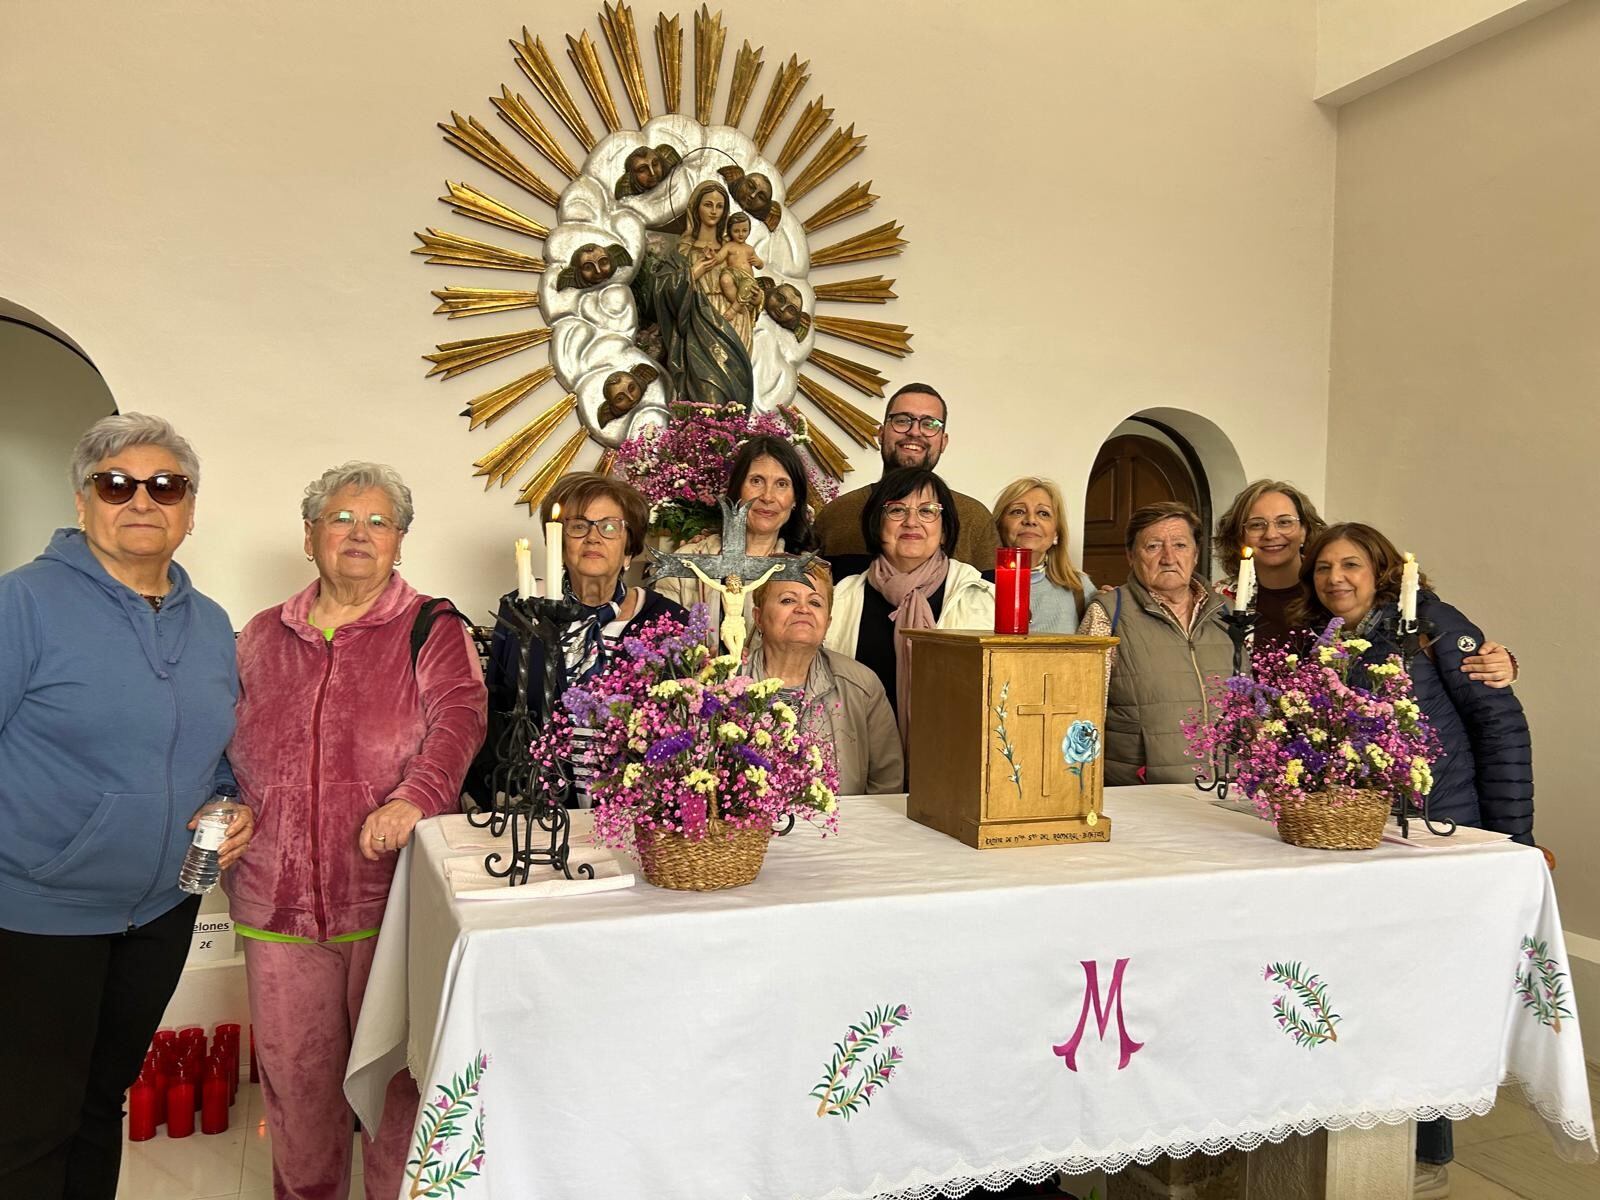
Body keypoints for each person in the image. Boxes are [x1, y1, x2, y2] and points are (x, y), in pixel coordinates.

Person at [0, 413, 250, 1199]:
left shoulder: (211, 625)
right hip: (40, 912)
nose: (142, 499)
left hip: (160, 910)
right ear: (83, 501)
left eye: (165, 484)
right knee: (30, 1124)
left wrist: (230, 803)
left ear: (190, 508)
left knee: (101, 1105)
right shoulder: (23, 604)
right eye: (117, 483)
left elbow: (214, 754)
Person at [224, 462, 486, 1200]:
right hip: (277, 906)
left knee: (397, 1095)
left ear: (400, 541)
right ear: (309, 536)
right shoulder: (260, 636)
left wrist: (417, 798)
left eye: (378, 522)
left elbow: (461, 720)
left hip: (392, 905)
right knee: (297, 1094)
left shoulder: (430, 625)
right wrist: (226, 802)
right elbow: (220, 741)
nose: (358, 534)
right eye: (340, 519)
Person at [1295, 522, 1534, 1198]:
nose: (1335, 579)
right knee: (1385, 989)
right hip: (1373, 838)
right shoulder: (1331, 642)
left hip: (1447, 834)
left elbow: (1500, 723)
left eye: (1351, 566)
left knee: (1428, 998)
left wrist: (1511, 844)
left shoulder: (1428, 625)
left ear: (1383, 572)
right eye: (1323, 570)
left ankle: (1425, 1154)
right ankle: (1372, 1131)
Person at [474, 474, 687, 807]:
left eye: (610, 527)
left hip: (635, 812)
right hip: (539, 808)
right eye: (578, 526)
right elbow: (496, 708)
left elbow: (682, 721)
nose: (593, 538)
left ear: (629, 548)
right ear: (560, 544)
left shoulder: (666, 620)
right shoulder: (522, 611)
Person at [1213, 478, 1517, 685]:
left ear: (1305, 529)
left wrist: (1502, 662)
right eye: (1256, 525)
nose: (1271, 534)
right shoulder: (1220, 602)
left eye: (1285, 522)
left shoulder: (1336, 589)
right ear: (1240, 535)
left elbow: (1418, 629)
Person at [825, 467, 995, 744]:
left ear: (944, 530)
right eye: (897, 510)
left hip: (952, 758)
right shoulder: (840, 597)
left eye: (927, 511)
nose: (911, 522)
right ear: (877, 524)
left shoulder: (983, 597)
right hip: (860, 760)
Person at [1077, 502, 1231, 786]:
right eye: (1153, 546)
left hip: (1224, 793)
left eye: (1181, 545)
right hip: (1143, 794)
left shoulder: (1226, 615)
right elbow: (1081, 712)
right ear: (1130, 556)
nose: (1169, 557)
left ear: (1196, 555)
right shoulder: (1108, 613)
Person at [746, 564, 903, 794]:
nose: (803, 609)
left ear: (827, 623)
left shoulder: (862, 685)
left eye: (815, 602)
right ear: (758, 617)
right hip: (747, 830)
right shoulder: (725, 684)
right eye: (788, 600)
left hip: (844, 828)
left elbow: (887, 784)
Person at [812, 383, 1000, 575]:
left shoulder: (974, 518)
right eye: (902, 421)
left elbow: (994, 600)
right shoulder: (837, 514)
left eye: (929, 424)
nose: (915, 432)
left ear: (943, 442)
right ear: (881, 434)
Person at [653, 435, 821, 644]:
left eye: (781, 484)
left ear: (795, 499)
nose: (768, 496)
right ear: (737, 488)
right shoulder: (688, 560)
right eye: (756, 481)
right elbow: (661, 645)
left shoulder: (808, 574)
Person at [632, 179, 758, 402]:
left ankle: (731, 427)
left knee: (735, 383)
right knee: (708, 389)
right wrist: (694, 272)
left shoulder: (733, 249)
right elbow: (660, 292)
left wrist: (758, 298)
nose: (714, 211)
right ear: (695, 208)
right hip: (697, 322)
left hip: (735, 319)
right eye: (708, 204)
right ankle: (705, 429)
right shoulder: (681, 251)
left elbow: (748, 280)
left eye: (720, 206)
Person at [988, 476, 1096, 632]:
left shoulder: (1079, 589)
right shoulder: (977, 584)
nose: (1031, 520)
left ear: (1056, 534)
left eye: (1043, 513)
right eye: (1018, 511)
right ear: (998, 527)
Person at [715, 211, 764, 308]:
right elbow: (719, 257)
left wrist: (758, 262)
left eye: (744, 230)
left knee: (748, 288)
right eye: (736, 231)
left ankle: (735, 309)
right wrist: (713, 256)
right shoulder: (729, 246)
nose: (741, 234)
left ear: (749, 230)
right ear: (730, 231)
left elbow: (760, 265)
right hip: (732, 274)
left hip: (747, 278)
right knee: (725, 280)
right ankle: (737, 306)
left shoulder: (750, 248)